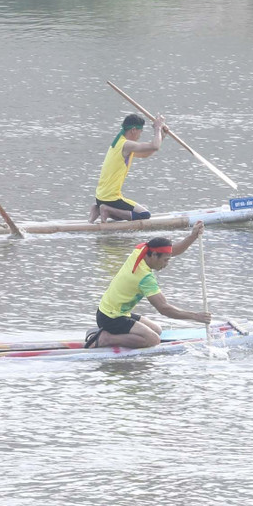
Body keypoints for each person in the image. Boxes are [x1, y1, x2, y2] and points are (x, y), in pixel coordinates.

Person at [85, 221, 211, 349]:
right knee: (153, 340)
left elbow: (171, 250)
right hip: (111, 318)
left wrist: (193, 236)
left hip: (111, 312)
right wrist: (195, 316)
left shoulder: (141, 250)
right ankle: (106, 338)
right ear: (154, 255)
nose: (167, 264)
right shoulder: (145, 278)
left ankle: (102, 332)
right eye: (165, 260)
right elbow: (164, 308)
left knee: (157, 330)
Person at [89, 113, 165, 224]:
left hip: (100, 197)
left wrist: (161, 135)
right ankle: (106, 210)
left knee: (135, 210)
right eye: (140, 131)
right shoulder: (126, 145)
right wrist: (157, 128)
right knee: (144, 214)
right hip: (111, 198)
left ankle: (98, 209)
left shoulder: (118, 142)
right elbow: (155, 146)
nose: (140, 135)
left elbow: (146, 154)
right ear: (134, 130)